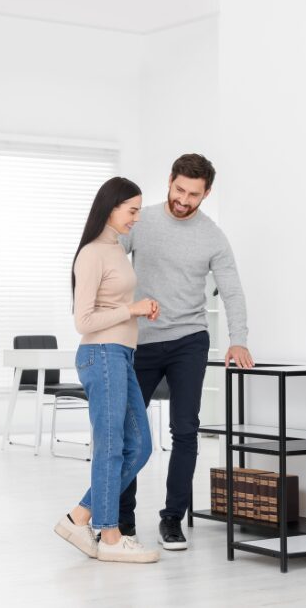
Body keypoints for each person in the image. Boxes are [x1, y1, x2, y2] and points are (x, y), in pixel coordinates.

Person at [117, 153, 253, 550]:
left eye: (194, 194)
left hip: (188, 340)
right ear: (170, 182)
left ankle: (172, 519)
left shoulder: (212, 235)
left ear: (206, 193)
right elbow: (107, 261)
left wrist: (238, 338)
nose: (184, 200)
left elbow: (231, 289)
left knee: (186, 431)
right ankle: (123, 519)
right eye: (179, 190)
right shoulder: (141, 223)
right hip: (139, 339)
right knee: (129, 432)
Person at [54, 176, 162, 563]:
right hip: (100, 354)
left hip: (121, 354)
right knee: (113, 445)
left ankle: (80, 516)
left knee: (140, 445)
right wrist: (132, 309)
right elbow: (84, 321)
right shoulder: (91, 254)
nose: (136, 217)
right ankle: (111, 536)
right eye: (132, 210)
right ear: (111, 207)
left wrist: (139, 309)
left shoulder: (115, 248)